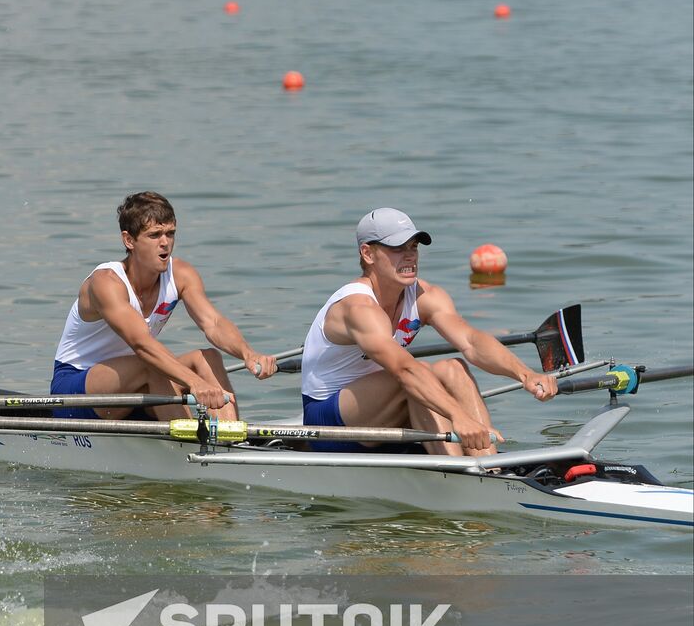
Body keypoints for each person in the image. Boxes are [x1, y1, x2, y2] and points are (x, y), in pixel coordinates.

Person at [300, 207, 558, 456]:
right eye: (397, 248)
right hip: (330, 425)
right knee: (416, 374)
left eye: (413, 247)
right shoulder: (358, 307)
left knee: (452, 367)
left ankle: (490, 465)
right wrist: (458, 416)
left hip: (383, 413)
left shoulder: (426, 295)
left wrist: (524, 374)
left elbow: (470, 341)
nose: (410, 256)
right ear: (368, 254)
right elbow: (405, 370)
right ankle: (458, 473)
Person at [50, 191, 277, 421]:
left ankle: (230, 438)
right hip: (75, 389)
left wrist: (247, 353)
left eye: (170, 233)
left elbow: (214, 323)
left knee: (207, 357)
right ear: (129, 240)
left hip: (136, 381)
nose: (165, 243)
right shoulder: (106, 282)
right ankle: (185, 442)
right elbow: (142, 345)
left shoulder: (181, 274)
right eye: (155, 235)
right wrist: (194, 383)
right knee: (149, 363)